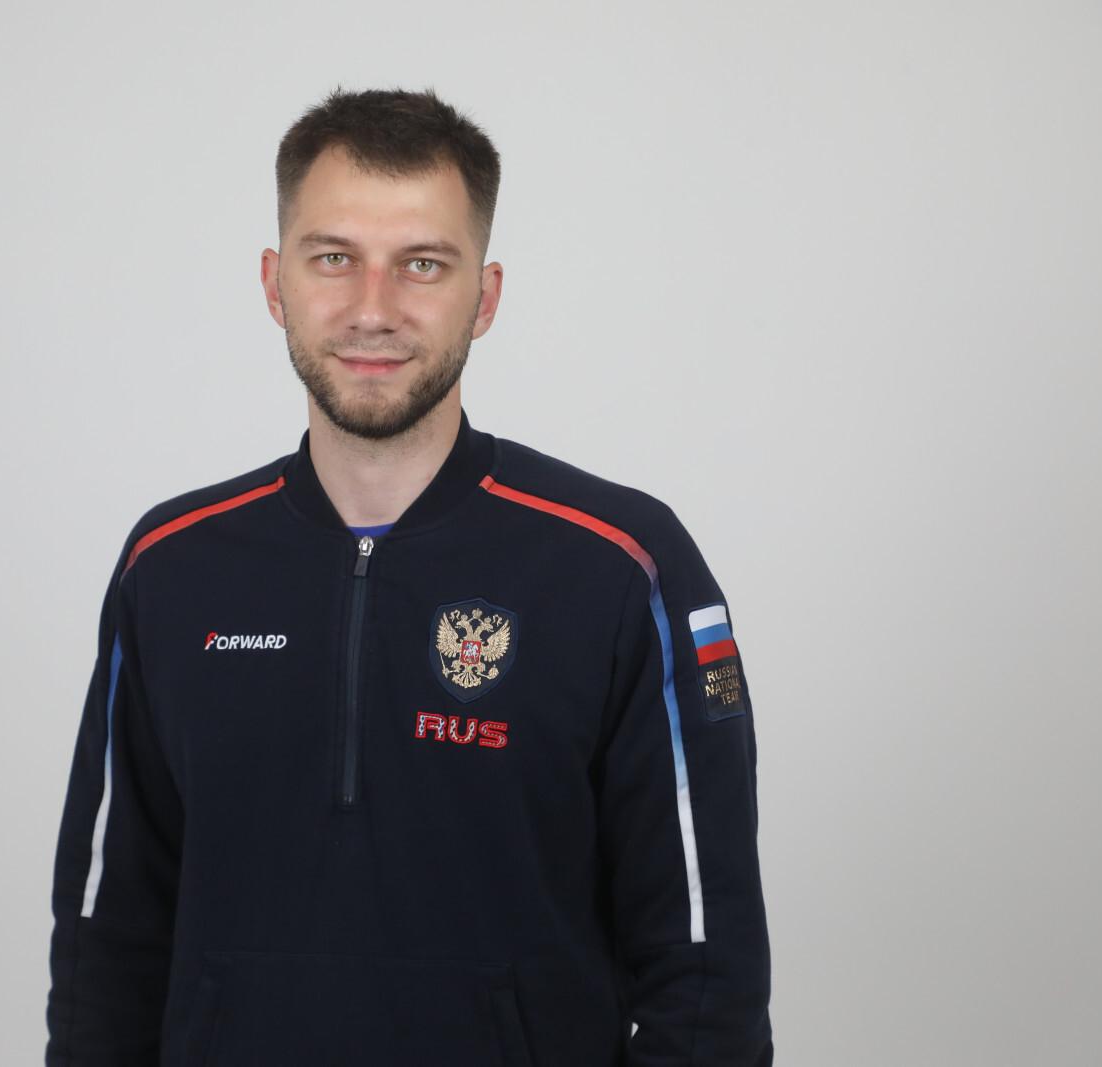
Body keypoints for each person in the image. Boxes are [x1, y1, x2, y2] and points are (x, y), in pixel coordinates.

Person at [45, 87, 772, 1066]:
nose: (372, 308)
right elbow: (104, 943)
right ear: (274, 283)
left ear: (486, 295)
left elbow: (707, 970)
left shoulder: (622, 565)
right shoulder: (171, 566)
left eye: (422, 264)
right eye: (333, 258)